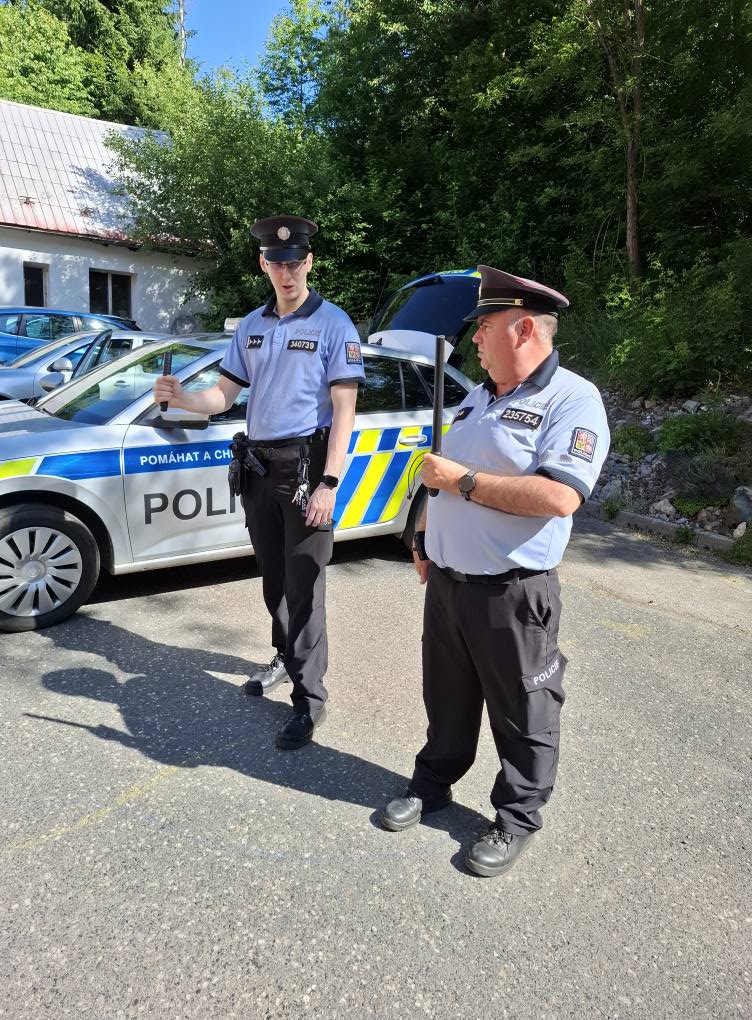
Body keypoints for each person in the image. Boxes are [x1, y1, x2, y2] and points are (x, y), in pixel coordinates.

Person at [379, 265, 610, 876]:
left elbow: (559, 496)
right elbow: (439, 473)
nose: (475, 338)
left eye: (485, 325)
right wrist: (422, 535)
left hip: (513, 592)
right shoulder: (480, 396)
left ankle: (517, 817)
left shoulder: (572, 399)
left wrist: (464, 482)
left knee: (524, 710)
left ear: (524, 328)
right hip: (448, 583)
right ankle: (433, 783)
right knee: (446, 697)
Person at [154, 215, 364, 750]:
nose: (286, 274)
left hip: (306, 469)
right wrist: (180, 398)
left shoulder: (334, 323)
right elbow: (222, 397)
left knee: (305, 585)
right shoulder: (251, 325)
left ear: (309, 262)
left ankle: (309, 701)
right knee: (275, 580)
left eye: (295, 264)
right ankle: (283, 657)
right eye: (276, 263)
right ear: (263, 264)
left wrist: (330, 482)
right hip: (258, 469)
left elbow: (344, 410)